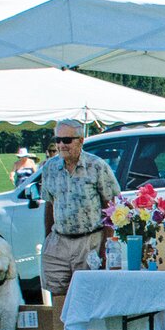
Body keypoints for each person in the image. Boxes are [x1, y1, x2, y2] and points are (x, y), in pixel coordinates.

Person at [37, 119, 119, 302]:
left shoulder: (96, 166)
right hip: (59, 241)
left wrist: (106, 249)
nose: (61, 145)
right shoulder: (50, 168)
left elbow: (110, 208)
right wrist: (48, 239)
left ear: (80, 140)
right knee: (59, 299)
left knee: (87, 298)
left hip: (89, 241)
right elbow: (49, 205)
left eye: (67, 140)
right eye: (58, 140)